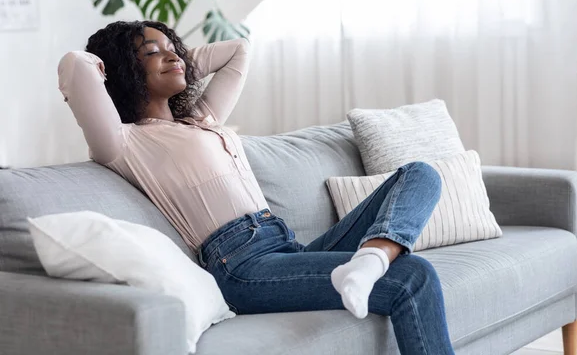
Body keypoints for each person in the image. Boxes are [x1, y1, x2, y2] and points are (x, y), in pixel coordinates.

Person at [58, 20, 455, 354]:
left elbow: (238, 50)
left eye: (173, 47)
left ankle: (372, 259)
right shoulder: (123, 142)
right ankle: (375, 264)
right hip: (243, 268)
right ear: (125, 69)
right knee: (413, 275)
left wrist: (173, 55)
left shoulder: (202, 119)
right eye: (149, 53)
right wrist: (121, 62)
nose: (172, 56)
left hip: (283, 246)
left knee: (421, 173)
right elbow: (76, 65)